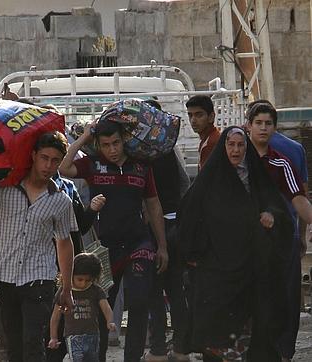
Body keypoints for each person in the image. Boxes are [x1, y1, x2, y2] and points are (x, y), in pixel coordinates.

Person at [178, 126, 293, 361]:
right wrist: (193, 251)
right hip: (217, 268)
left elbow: (277, 207)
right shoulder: (210, 179)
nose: (236, 150)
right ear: (224, 147)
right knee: (215, 332)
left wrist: (270, 214)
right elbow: (188, 216)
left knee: (256, 326)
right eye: (231, 144)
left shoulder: (255, 176)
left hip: (253, 265)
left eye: (241, 145)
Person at [60, 119, 169, 362]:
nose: (112, 149)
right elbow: (63, 169)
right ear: (99, 144)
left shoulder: (141, 167)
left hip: (139, 244)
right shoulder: (93, 164)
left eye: (116, 143)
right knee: (101, 307)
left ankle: (133, 357)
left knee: (139, 302)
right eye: (106, 144)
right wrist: (83, 139)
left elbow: (153, 205)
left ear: (124, 141)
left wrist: (161, 246)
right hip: (105, 249)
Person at [0, 131, 77, 361]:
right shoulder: (2, 188)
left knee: (33, 344)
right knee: (13, 346)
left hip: (39, 279)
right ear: (33, 155)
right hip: (5, 279)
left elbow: (64, 242)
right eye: (44, 158)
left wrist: (66, 288)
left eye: (55, 160)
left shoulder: (60, 201)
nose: (48, 165)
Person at [244, 102, 312, 362]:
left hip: (279, 241)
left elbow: (299, 196)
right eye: (258, 123)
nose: (263, 128)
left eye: (268, 123)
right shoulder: (235, 157)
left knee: (283, 299)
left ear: (274, 127)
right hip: (243, 243)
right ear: (248, 124)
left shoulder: (281, 162)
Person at [144, 100, 191, 362]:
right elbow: (184, 183)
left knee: (156, 291)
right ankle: (181, 348)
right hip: (173, 225)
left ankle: (160, 349)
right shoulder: (169, 148)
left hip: (156, 228)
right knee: (175, 291)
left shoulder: (142, 151)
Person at [48, 253, 116, 361]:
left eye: (88, 280)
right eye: (80, 279)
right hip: (72, 336)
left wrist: (110, 321)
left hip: (92, 334)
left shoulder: (96, 290)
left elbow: (106, 307)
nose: (83, 283)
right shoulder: (64, 292)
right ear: (71, 275)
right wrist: (53, 337)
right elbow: (55, 317)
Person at [186, 95, 220, 170]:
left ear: (211, 117)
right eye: (190, 115)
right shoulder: (207, 139)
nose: (193, 120)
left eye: (199, 115)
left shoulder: (212, 142)